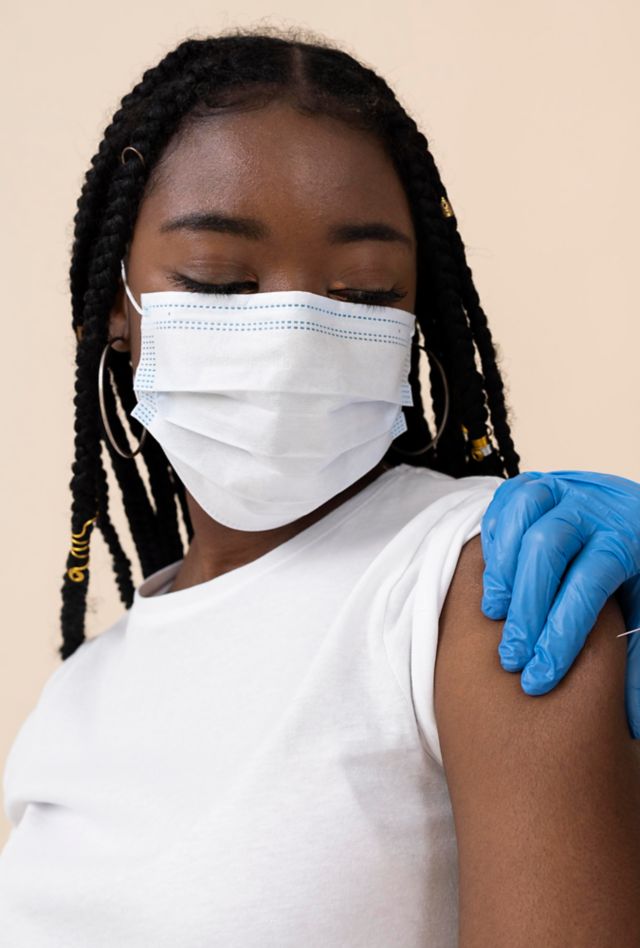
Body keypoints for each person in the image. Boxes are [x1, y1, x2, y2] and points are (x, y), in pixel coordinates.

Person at [1, 28, 639, 946]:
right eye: (221, 283)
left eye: (368, 292)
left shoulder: (490, 587)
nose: (297, 331)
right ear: (117, 303)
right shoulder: (78, 698)